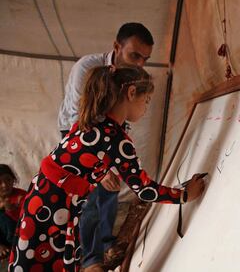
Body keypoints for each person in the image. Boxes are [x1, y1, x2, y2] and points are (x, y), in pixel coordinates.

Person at [9, 65, 206, 272]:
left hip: (43, 197)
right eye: (146, 100)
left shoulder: (94, 122)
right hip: (54, 207)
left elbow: (76, 161)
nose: (146, 108)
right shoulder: (115, 137)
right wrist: (184, 195)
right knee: (43, 262)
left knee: (35, 259)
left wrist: (101, 173)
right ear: (131, 93)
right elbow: (144, 189)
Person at [57, 22, 154, 270]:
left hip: (107, 137)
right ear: (116, 47)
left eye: (145, 58)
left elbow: (119, 118)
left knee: (110, 190)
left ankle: (106, 242)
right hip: (78, 134)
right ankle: (91, 259)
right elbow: (80, 121)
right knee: (90, 195)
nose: (140, 64)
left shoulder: (131, 76)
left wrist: (115, 161)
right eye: (134, 55)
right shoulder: (87, 68)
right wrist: (100, 168)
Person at [0, 165, 26, 263]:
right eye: (0, 182)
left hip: (20, 238)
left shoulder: (22, 196)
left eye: (8, 180)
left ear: (13, 179)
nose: (4, 185)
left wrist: (11, 210)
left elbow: (28, 220)